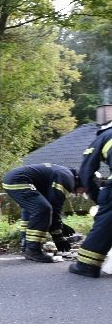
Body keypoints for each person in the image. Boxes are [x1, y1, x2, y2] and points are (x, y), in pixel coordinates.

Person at [2, 163, 83, 263]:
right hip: (18, 180)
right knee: (42, 209)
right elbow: (54, 207)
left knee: (34, 209)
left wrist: (60, 225)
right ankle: (33, 251)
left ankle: (26, 245)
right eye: (84, 190)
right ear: (83, 182)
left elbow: (52, 207)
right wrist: (58, 237)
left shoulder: (65, 174)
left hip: (13, 178)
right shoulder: (67, 179)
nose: (81, 193)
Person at [69, 115, 112, 278]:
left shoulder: (103, 137)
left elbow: (86, 173)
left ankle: (87, 264)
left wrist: (98, 197)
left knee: (105, 224)